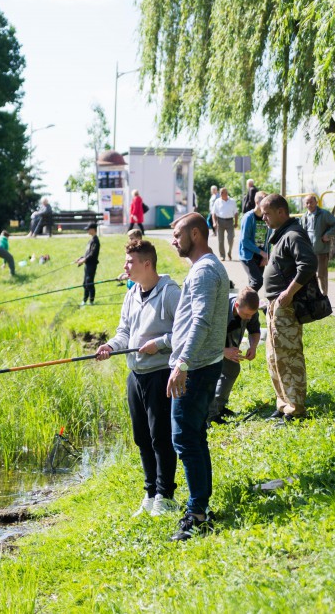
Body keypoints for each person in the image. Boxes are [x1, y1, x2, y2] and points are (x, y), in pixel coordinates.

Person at [96, 239, 183, 518]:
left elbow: (185, 332)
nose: (125, 266)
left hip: (160, 374)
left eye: (130, 262)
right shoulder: (131, 293)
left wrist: (159, 343)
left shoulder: (170, 293)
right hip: (136, 375)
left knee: (161, 438)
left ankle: (166, 497)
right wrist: (110, 346)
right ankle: (149, 495)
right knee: (142, 438)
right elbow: (124, 332)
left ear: (147, 264)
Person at [166, 212, 229, 541]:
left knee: (186, 440)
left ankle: (198, 514)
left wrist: (182, 363)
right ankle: (199, 504)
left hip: (197, 368)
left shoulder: (204, 270)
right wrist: (165, 343)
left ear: (196, 233)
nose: (173, 240)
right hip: (205, 363)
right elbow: (191, 320)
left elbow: (203, 320)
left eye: (177, 234)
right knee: (194, 438)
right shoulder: (207, 267)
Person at [259, 194, 318, 421]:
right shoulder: (282, 234)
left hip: (286, 306)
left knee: (289, 357)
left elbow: (309, 264)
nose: (263, 218)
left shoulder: (293, 234)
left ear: (281, 212)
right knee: (275, 358)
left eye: (267, 213)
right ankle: (283, 404)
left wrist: (288, 293)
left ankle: (296, 409)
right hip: (275, 305)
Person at [207, 287, 262, 425]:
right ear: (236, 305)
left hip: (228, 341)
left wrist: (253, 346)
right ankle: (210, 416)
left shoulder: (250, 310)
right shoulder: (219, 308)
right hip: (207, 345)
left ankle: (218, 407)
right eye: (246, 315)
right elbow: (204, 336)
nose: (249, 318)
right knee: (211, 374)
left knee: (231, 369)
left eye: (252, 315)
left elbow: (254, 330)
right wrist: (224, 350)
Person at [301, 194, 335, 296]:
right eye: (307, 203)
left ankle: (324, 296)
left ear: (316, 202)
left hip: (321, 251)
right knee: (310, 275)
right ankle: (314, 296)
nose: (309, 204)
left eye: (311, 202)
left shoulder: (324, 214)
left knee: (321, 275)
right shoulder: (304, 216)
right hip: (308, 252)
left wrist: (328, 235)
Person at [238, 191, 268, 291]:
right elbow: (244, 241)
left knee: (253, 283)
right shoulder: (248, 217)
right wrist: (262, 253)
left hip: (261, 256)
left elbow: (269, 237)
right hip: (248, 255)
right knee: (257, 281)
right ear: (257, 202)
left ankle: (249, 305)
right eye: (264, 201)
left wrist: (266, 254)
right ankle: (241, 301)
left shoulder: (266, 217)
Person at [76, 223, 100, 305]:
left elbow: (92, 254)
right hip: (87, 264)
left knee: (89, 282)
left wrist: (84, 260)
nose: (88, 231)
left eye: (89, 229)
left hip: (92, 265)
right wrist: (81, 258)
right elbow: (87, 253)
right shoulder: (91, 240)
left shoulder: (95, 241)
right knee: (85, 283)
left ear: (93, 230)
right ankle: (84, 300)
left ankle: (91, 301)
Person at [213, 187, 239, 261]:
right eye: (220, 193)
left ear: (226, 193)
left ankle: (229, 252)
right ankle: (222, 255)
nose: (220, 194)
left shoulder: (232, 201)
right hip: (220, 221)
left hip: (230, 221)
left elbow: (236, 213)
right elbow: (214, 213)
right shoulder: (217, 201)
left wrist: (236, 222)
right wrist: (214, 222)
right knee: (220, 240)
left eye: (222, 193)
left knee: (231, 238)